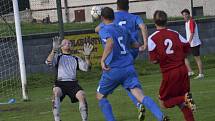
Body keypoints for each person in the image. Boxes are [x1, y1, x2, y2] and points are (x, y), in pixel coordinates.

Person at [96, 7, 169, 121]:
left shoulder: (104, 29)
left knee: (100, 96)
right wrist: (141, 46)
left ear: (102, 18)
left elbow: (110, 43)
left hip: (113, 69)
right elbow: (134, 44)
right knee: (140, 96)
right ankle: (161, 116)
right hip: (128, 68)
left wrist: (102, 60)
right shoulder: (123, 29)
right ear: (114, 17)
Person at [95, 0, 148, 120]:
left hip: (119, 53)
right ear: (128, 6)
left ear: (117, 6)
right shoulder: (134, 17)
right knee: (127, 78)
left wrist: (101, 23)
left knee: (119, 75)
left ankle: (138, 102)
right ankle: (139, 102)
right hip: (132, 48)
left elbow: (97, 30)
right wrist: (145, 44)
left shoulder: (113, 17)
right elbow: (143, 26)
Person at [148, 10, 196, 121]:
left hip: (169, 73)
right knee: (183, 105)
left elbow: (154, 61)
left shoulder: (152, 38)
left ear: (154, 22)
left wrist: (162, 58)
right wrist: (178, 55)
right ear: (167, 21)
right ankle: (185, 99)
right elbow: (187, 48)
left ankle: (184, 97)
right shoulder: (175, 33)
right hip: (183, 70)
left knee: (163, 103)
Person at [46, 37, 93, 121]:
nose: (67, 44)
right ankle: (57, 119)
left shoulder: (75, 58)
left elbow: (87, 68)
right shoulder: (58, 57)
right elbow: (48, 62)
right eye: (65, 43)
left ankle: (85, 119)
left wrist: (87, 57)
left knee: (82, 95)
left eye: (69, 43)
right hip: (60, 83)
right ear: (61, 47)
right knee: (56, 92)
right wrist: (53, 50)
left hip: (73, 84)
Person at [181, 9, 204, 79]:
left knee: (197, 58)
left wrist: (189, 42)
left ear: (188, 14)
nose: (184, 16)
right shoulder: (186, 23)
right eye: (183, 15)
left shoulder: (191, 21)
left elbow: (192, 33)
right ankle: (190, 71)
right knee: (184, 56)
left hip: (194, 43)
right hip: (190, 44)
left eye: (185, 15)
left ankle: (201, 74)